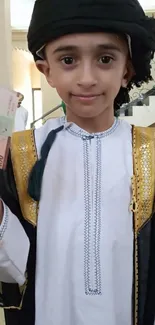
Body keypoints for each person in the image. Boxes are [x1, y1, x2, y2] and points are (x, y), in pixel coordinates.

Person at [0, 0, 155, 325]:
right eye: (69, 60)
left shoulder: (149, 154)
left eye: (105, 59)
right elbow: (13, 269)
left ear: (127, 69)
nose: (87, 78)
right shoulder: (22, 155)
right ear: (47, 71)